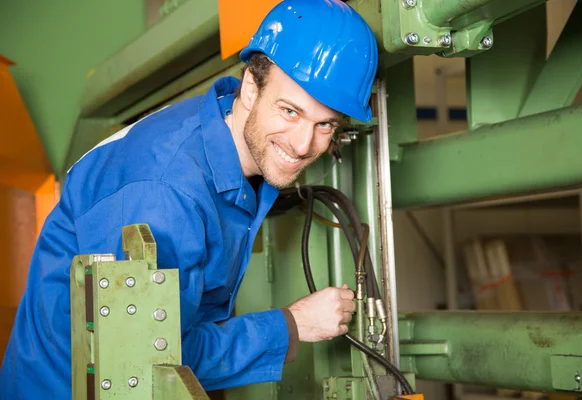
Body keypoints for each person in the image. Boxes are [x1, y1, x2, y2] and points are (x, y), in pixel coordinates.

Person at [0, 0, 378, 397]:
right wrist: (293, 324)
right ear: (251, 87)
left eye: (325, 125)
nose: (303, 145)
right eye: (289, 111)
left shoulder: (221, 136)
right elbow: (144, 360)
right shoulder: (165, 194)